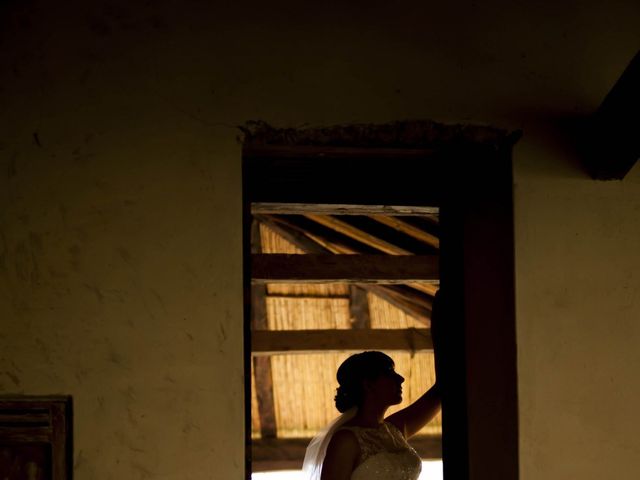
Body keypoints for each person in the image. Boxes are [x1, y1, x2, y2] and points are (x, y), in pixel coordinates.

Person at [303, 295, 443, 480]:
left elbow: (441, 391)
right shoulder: (346, 440)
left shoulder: (395, 430)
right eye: (389, 373)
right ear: (368, 384)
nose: (400, 379)